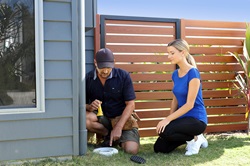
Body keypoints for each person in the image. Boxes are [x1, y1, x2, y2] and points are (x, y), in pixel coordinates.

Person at [154, 39, 208, 156]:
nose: (169, 56)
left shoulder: (193, 73)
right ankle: (192, 137)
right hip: (182, 119)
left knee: (166, 131)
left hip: (196, 119)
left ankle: (196, 138)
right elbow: (175, 100)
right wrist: (170, 118)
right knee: (159, 148)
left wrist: (167, 120)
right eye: (168, 53)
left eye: (172, 53)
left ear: (183, 53)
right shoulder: (175, 74)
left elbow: (190, 104)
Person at [85, 48, 140, 155]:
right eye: (102, 67)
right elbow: (81, 105)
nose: (105, 71)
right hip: (103, 120)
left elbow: (130, 104)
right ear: (95, 62)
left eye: (108, 67)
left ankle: (116, 138)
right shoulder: (88, 78)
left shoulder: (123, 76)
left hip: (122, 120)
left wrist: (118, 127)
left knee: (131, 150)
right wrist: (90, 107)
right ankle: (109, 135)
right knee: (86, 117)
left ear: (114, 62)